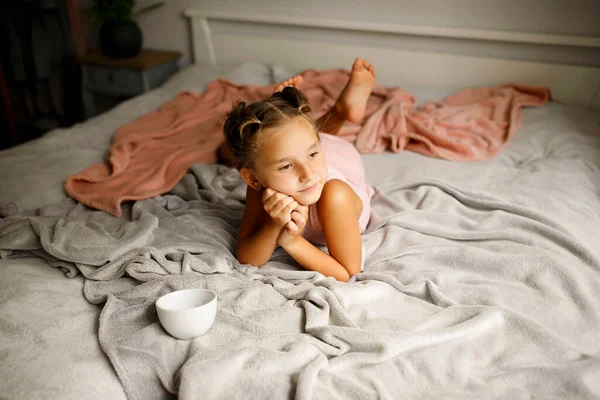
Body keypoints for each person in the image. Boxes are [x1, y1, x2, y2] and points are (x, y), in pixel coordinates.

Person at [222, 58, 376, 282]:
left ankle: (339, 111)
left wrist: (292, 242)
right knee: (286, 139)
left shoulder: (335, 197)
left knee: (302, 140)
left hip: (341, 158)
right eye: (286, 166)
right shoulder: (262, 187)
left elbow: (348, 273)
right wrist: (275, 223)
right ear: (253, 179)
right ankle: (284, 116)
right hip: (319, 152)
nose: (307, 174)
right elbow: (248, 258)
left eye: (313, 154)